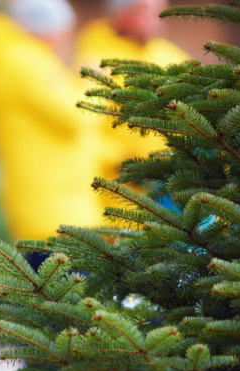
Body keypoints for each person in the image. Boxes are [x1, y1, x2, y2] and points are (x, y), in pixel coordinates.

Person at [0, 0, 106, 247]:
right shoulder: (22, 61)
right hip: (52, 212)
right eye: (65, 31)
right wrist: (96, 82)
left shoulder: (22, 59)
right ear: (48, 30)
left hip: (59, 207)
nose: (65, 41)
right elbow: (77, 115)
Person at [74, 0, 190, 216]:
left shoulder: (170, 57)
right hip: (121, 189)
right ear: (121, 13)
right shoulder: (95, 59)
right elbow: (83, 122)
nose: (158, 19)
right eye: (146, 11)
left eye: (159, 11)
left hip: (176, 180)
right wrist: (123, 161)